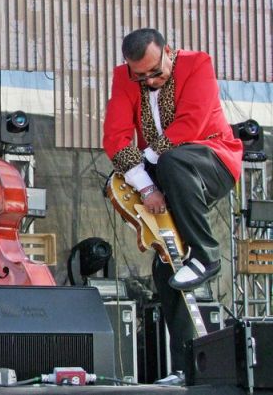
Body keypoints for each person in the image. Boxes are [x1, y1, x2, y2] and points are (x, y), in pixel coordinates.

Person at [103, 28, 243, 385]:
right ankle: (185, 368)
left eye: (156, 72)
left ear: (168, 51)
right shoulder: (124, 79)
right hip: (165, 175)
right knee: (167, 264)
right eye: (141, 76)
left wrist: (147, 162)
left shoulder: (197, 64)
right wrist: (147, 187)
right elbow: (115, 136)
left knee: (172, 160)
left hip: (212, 160)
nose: (150, 81)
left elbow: (191, 124)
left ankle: (207, 255)